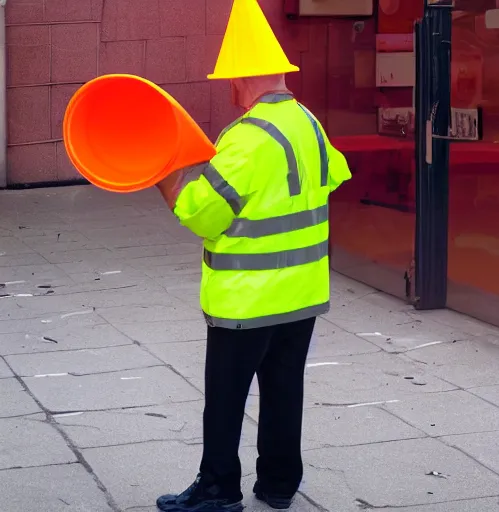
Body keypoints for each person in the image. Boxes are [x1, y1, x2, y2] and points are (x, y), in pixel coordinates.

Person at [155, 0, 351, 510]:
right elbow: (335, 174)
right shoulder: (309, 123)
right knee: (285, 391)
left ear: (243, 78)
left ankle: (218, 489)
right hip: (302, 293)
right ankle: (280, 486)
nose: (230, 90)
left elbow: (199, 213)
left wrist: (161, 171)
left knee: (225, 399)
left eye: (230, 80)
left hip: (246, 301)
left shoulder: (246, 138)